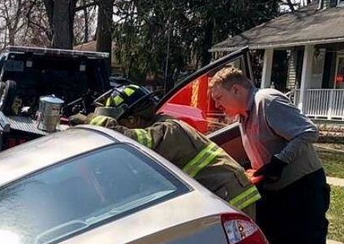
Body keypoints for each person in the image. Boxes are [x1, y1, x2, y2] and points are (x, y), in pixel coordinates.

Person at [210, 66, 334, 244]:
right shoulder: (243, 115)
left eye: (219, 97)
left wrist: (279, 162)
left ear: (237, 90)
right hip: (274, 195)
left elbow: (307, 132)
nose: (217, 105)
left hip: (302, 192)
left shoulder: (267, 101)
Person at [71, 84, 261, 218]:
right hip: (218, 195)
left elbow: (134, 141)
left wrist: (94, 122)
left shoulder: (169, 131)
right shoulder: (163, 128)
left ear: (133, 120)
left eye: (119, 121)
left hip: (231, 198)